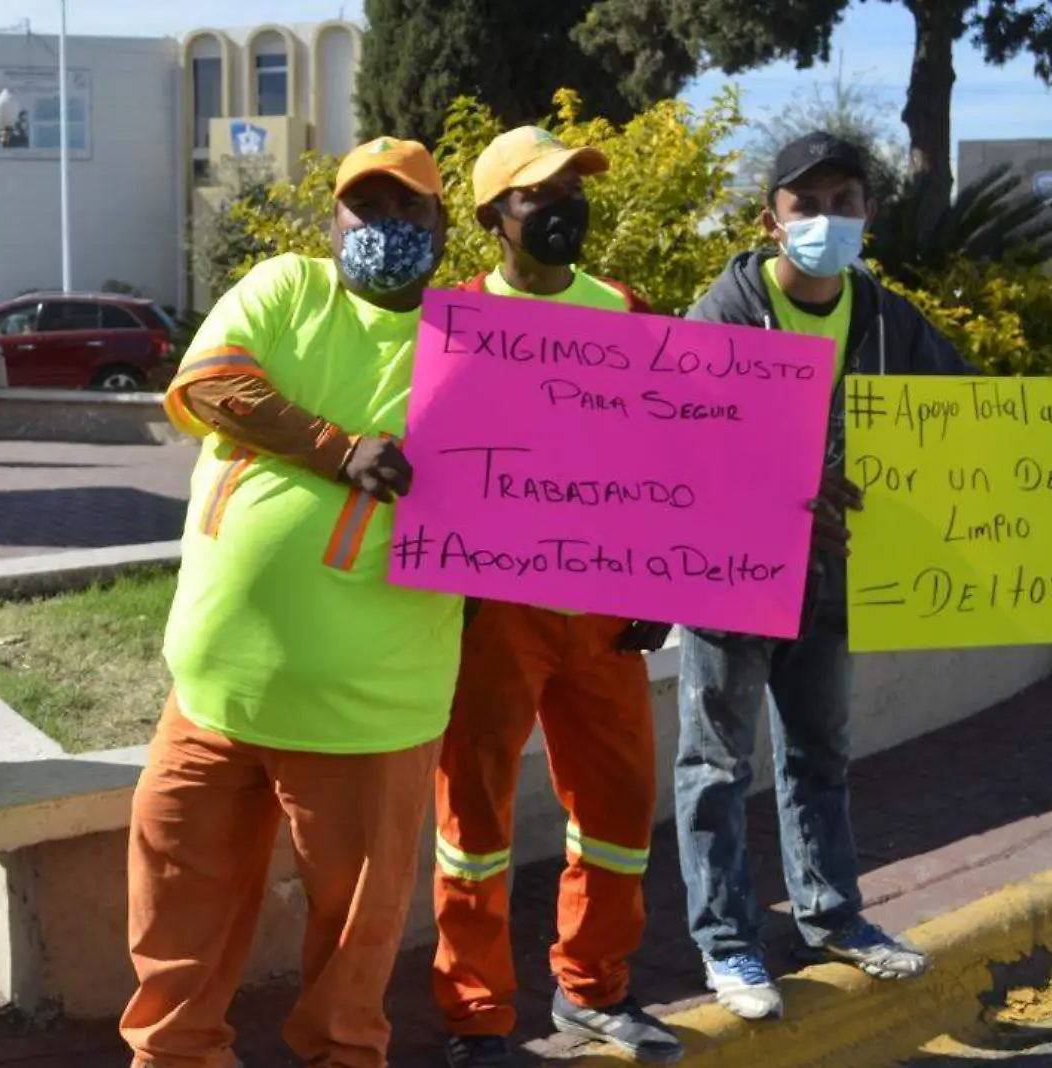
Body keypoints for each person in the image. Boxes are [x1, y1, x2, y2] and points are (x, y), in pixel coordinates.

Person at [122, 137, 462, 1068]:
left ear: (442, 227)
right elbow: (206, 384)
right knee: (172, 940)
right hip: (210, 701)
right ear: (333, 220)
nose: (386, 226)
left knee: (348, 985)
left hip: (368, 719)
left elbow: (596, 470)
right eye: (366, 207)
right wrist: (336, 446)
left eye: (409, 210)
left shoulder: (478, 345)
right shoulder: (287, 288)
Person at [678, 131, 974, 1021]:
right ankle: (728, 944)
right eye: (807, 205)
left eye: (845, 202)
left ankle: (834, 916)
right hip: (731, 577)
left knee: (820, 755)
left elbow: (957, 413)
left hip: (835, 582)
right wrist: (788, 477)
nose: (826, 220)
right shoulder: (723, 311)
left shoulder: (888, 319)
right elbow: (681, 438)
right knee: (718, 763)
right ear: (773, 218)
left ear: (869, 214)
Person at [428, 125, 680, 1068]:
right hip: (494, 612)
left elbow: (668, 457)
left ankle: (595, 990)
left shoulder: (625, 308)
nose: (567, 205)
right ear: (497, 216)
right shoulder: (448, 320)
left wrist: (662, 577)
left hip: (607, 609)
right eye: (543, 194)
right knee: (475, 822)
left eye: (576, 189)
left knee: (618, 808)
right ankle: (476, 1014)